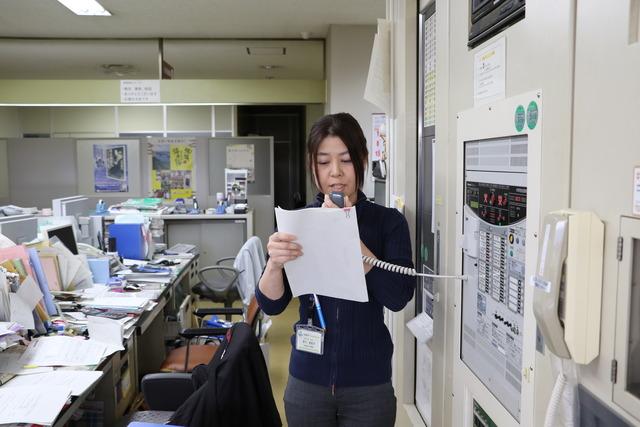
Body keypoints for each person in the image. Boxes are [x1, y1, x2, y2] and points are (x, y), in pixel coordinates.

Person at [256, 112, 415, 426]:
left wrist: (350, 238)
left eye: (345, 160)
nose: (336, 173)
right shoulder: (300, 222)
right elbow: (271, 304)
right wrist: (274, 265)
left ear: (363, 160)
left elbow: (398, 297)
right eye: (324, 162)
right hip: (307, 381)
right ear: (313, 167)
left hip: (369, 385)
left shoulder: (388, 222)